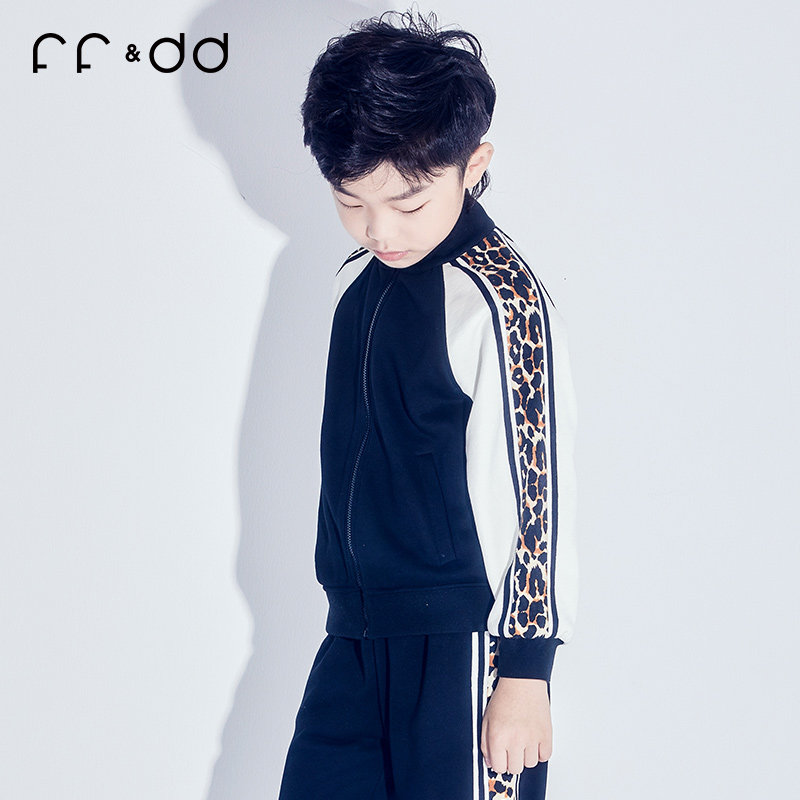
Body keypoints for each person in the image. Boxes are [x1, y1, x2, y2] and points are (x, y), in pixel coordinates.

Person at [278, 9, 578, 800]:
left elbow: (536, 492)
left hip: (463, 648)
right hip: (354, 636)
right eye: (351, 201)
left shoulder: (499, 299)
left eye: (408, 203)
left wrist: (526, 670)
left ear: (473, 165)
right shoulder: (358, 290)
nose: (379, 229)